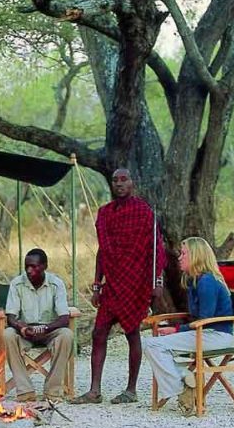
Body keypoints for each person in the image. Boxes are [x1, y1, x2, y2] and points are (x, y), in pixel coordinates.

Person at [71, 168, 166, 405]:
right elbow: (102, 252)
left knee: (132, 332)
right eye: (115, 180)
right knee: (98, 333)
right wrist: (96, 285)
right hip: (111, 284)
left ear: (132, 182)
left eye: (124, 179)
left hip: (135, 282)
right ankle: (94, 391)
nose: (119, 184)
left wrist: (158, 281)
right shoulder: (105, 214)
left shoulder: (144, 212)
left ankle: (131, 390)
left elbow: (156, 250)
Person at [142, 237, 234, 415]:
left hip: (215, 335)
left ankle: (183, 386)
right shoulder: (194, 280)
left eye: (184, 254)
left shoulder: (207, 282)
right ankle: (184, 380)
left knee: (152, 344)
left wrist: (176, 330)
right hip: (204, 333)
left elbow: (204, 320)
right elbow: (196, 318)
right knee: (154, 345)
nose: (179, 258)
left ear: (197, 256)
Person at [2, 248, 74, 403]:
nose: (29, 270)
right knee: (8, 334)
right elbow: (10, 317)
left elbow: (64, 318)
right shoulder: (17, 284)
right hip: (25, 331)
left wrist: (45, 329)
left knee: (66, 335)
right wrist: (21, 327)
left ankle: (53, 391)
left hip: (50, 330)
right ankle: (25, 390)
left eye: (34, 266)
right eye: (27, 266)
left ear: (44, 266)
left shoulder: (56, 284)